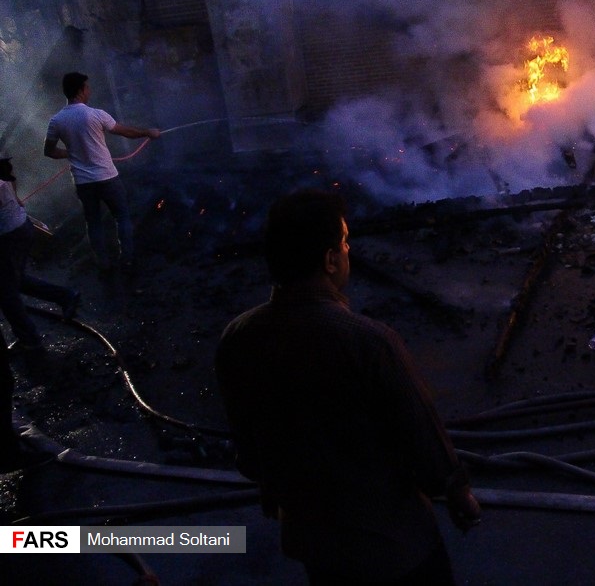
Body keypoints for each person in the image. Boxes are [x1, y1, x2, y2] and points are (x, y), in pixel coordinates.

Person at [215, 190, 481, 585]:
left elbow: (249, 455)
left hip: (316, 550)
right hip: (393, 549)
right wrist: (458, 492)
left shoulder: (237, 338)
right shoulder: (369, 341)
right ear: (329, 260)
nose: (347, 250)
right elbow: (421, 435)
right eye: (343, 241)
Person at [43, 72, 160, 273]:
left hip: (83, 183)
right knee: (121, 217)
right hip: (107, 178)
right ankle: (127, 260)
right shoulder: (96, 114)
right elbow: (126, 132)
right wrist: (148, 132)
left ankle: (103, 264)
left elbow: (49, 151)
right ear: (80, 90)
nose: (89, 90)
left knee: (93, 222)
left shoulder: (56, 121)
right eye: (87, 87)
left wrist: (70, 152)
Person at [0, 154, 80, 355]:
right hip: (18, 229)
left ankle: (30, 340)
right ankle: (65, 296)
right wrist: (16, 198)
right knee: (13, 279)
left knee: (6, 293)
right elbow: (9, 176)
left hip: (10, 235)